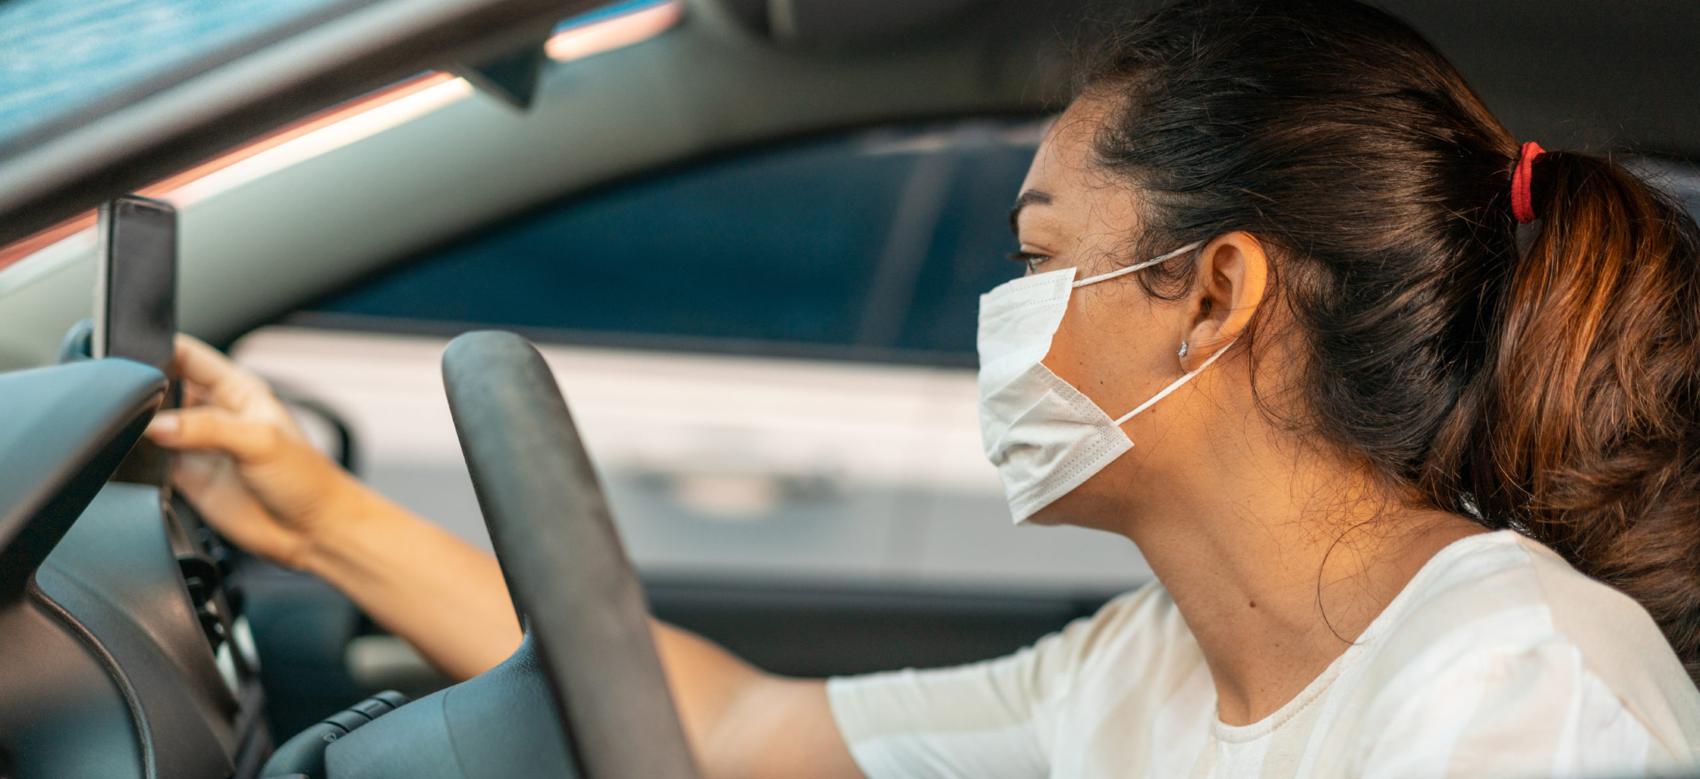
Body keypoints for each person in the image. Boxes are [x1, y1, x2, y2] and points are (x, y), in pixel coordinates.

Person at [145, 0, 1700, 775]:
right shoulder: (1142, 665)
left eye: (1041, 257)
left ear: (1211, 298)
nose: (1006, 317)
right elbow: (732, 724)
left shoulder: (1521, 696)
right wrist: (316, 511)